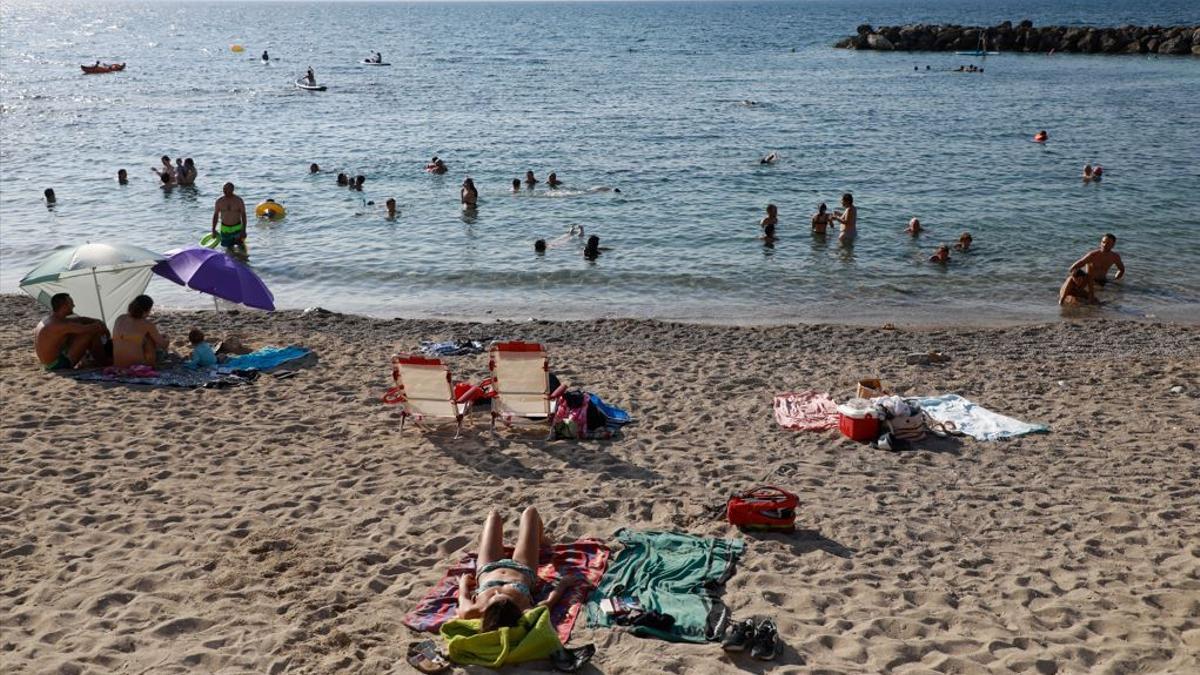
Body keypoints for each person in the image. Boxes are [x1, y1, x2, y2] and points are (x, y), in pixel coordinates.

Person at [455, 508, 581, 630]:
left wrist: (463, 584)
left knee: (493, 515)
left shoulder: (472, 612)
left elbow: (463, 597)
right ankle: (540, 540)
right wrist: (563, 585)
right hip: (523, 568)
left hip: (488, 568)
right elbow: (550, 601)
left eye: (494, 596)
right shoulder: (526, 611)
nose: (498, 592)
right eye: (504, 596)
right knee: (530, 512)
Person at [34, 293, 110, 370]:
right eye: (71, 303)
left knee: (78, 330)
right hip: (57, 365)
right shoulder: (60, 325)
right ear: (64, 306)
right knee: (91, 333)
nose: (74, 305)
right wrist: (102, 326)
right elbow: (92, 328)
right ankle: (103, 363)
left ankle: (94, 359)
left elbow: (79, 319)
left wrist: (95, 321)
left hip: (48, 363)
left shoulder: (51, 319)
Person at [112, 295, 168, 368]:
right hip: (137, 366)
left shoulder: (120, 318)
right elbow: (163, 345)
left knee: (141, 338)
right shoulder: (147, 324)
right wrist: (167, 338)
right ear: (146, 310)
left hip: (118, 365)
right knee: (149, 338)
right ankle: (151, 366)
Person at [211, 182, 248, 253]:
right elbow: (215, 215)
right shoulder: (219, 201)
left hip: (237, 228)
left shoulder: (238, 200)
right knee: (228, 250)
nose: (224, 191)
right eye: (223, 189)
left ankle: (243, 261)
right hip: (225, 229)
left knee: (241, 248)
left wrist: (244, 230)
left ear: (232, 190)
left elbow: (243, 215)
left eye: (226, 190)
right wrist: (213, 229)